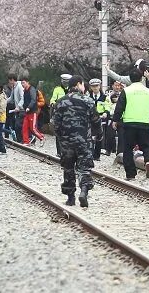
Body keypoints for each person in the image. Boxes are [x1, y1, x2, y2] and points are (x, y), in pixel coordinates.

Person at [53, 76, 98, 207]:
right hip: (84, 140)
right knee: (84, 168)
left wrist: (61, 137)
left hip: (67, 142)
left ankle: (70, 197)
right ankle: (84, 191)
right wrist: (98, 134)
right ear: (78, 84)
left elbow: (55, 124)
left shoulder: (61, 102)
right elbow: (96, 120)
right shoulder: (88, 101)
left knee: (68, 168)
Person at [112, 67, 149, 180]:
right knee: (146, 146)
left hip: (129, 123)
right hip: (144, 123)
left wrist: (115, 120)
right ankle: (148, 161)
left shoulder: (126, 91)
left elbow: (119, 107)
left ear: (130, 78)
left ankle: (130, 174)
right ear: (141, 78)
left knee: (128, 149)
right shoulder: (148, 91)